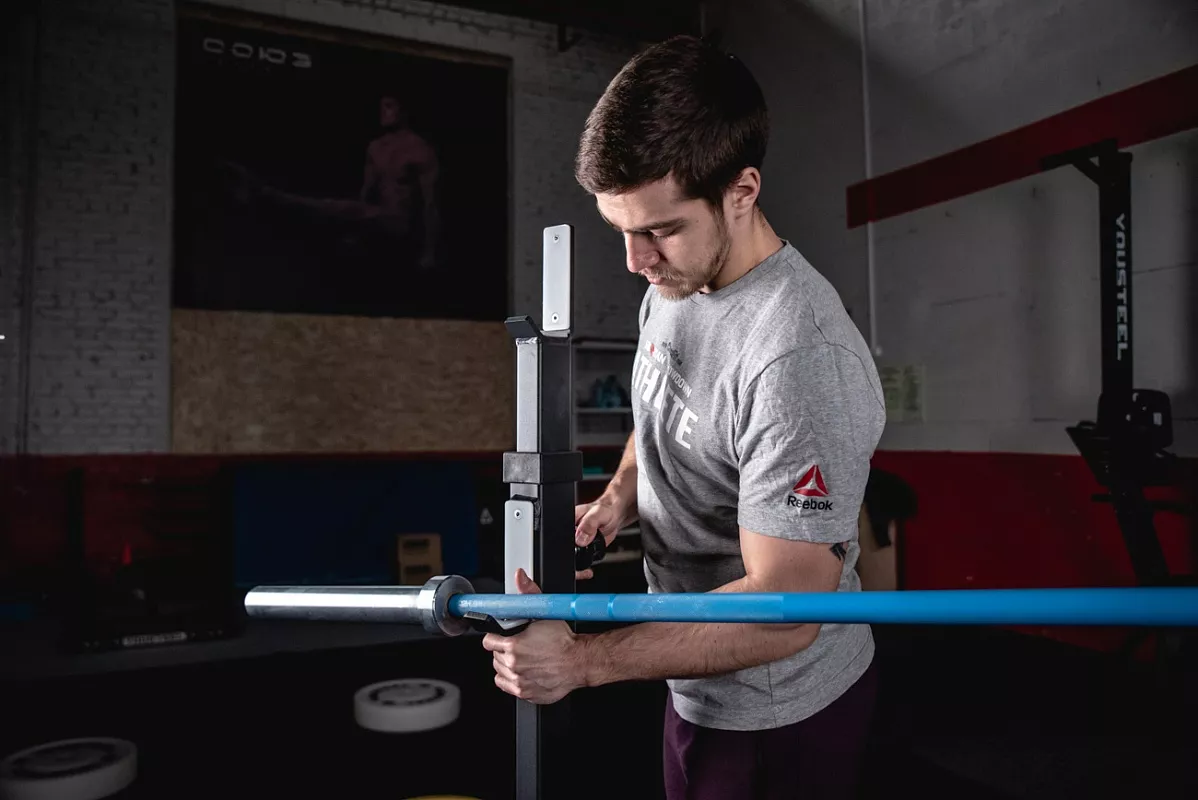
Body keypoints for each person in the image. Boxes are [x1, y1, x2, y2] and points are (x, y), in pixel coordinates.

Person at [483, 34, 886, 799]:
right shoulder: (675, 285)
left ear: (742, 190)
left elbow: (787, 607)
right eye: (622, 230)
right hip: (694, 676)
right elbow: (663, 410)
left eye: (659, 229)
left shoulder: (799, 357)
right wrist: (617, 499)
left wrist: (583, 662)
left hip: (780, 709)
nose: (635, 260)